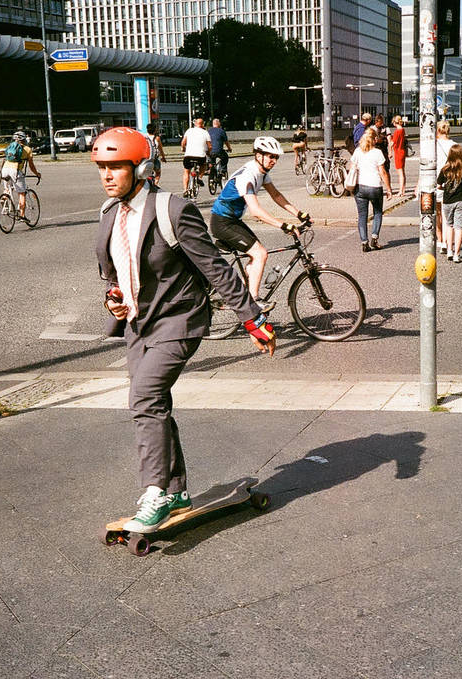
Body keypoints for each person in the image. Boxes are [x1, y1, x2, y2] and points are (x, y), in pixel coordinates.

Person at [93, 127, 276, 533]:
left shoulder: (171, 210)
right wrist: (114, 299)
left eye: (115, 167)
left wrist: (253, 317)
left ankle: (155, 492)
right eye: (102, 167)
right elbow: (113, 276)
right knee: (153, 404)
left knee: (144, 396)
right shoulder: (107, 215)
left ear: (140, 168)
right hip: (138, 325)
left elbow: (214, 266)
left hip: (180, 321)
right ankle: (176, 490)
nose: (107, 175)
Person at [209, 136, 310, 308]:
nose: (274, 161)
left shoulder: (262, 173)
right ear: (258, 155)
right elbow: (256, 211)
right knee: (260, 254)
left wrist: (298, 213)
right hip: (222, 223)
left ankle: (242, 294)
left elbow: (276, 195)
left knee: (257, 254)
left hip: (232, 220)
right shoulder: (248, 176)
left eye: (276, 157)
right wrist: (283, 225)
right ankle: (253, 301)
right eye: (270, 156)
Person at [349, 127, 393, 252]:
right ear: (374, 139)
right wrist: (389, 189)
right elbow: (383, 172)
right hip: (375, 187)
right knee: (377, 212)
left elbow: (352, 168)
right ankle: (374, 238)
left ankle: (364, 242)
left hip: (360, 187)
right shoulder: (377, 152)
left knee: (362, 216)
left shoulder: (357, 151)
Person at [437, 145, 462, 263]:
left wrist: (445, 188)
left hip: (447, 201)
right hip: (461, 200)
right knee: (459, 227)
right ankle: (457, 254)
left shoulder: (444, 169)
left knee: (449, 225)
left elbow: (438, 185)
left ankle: (449, 251)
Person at [0, 131, 41, 221]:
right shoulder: (27, 149)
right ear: (24, 139)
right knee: (22, 193)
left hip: (5, 170)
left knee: (7, 189)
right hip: (15, 170)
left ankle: (4, 198)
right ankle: (22, 215)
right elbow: (31, 165)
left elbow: (4, 158)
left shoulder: (10, 146)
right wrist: (37, 174)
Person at [435, 120, 459, 253]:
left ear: (438, 130)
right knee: (446, 214)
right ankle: (446, 242)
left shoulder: (433, 144)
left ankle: (440, 239)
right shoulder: (454, 145)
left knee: (437, 213)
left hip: (434, 181)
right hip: (448, 182)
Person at [180, 118, 211, 197]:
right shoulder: (205, 132)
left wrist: (183, 148)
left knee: (186, 172)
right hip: (200, 156)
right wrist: (208, 152)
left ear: (195, 124)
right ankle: (200, 178)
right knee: (203, 165)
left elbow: (183, 142)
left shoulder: (189, 131)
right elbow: (210, 146)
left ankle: (185, 190)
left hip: (188, 156)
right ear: (203, 124)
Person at [389, 115, 408, 196]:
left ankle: (400, 191)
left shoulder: (397, 131)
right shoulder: (402, 130)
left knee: (400, 173)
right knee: (403, 172)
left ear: (394, 122)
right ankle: (403, 190)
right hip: (402, 151)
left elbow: (392, 143)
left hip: (398, 152)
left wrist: (390, 141)